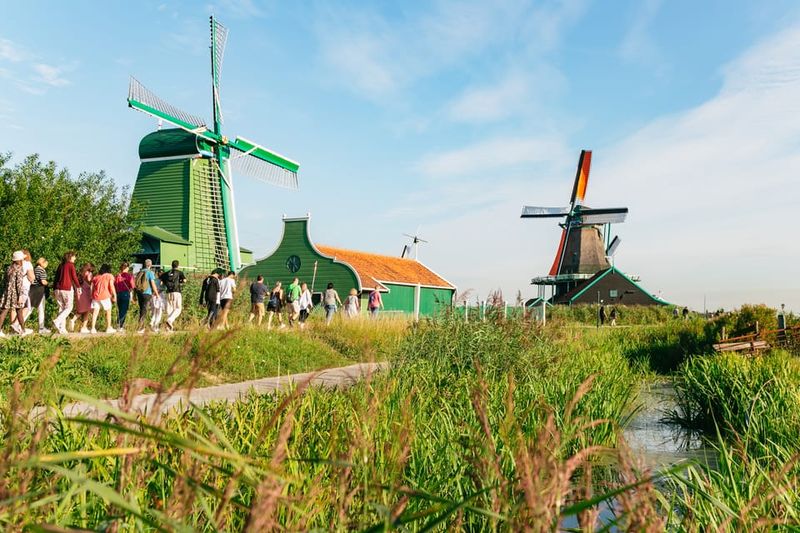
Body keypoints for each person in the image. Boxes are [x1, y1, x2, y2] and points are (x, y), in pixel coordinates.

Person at [0, 251, 30, 337]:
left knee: (5, 311)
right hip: (15, 293)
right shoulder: (19, 269)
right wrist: (20, 295)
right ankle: (23, 330)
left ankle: (23, 330)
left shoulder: (9, 268)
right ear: (19, 260)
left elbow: (4, 281)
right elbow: (19, 284)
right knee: (18, 310)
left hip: (7, 292)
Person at [53, 251, 81, 335]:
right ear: (70, 257)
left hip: (57, 289)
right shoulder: (70, 265)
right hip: (66, 288)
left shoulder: (60, 265)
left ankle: (62, 329)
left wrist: (54, 289)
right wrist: (78, 286)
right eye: (74, 256)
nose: (75, 258)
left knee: (62, 308)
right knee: (69, 307)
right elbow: (74, 277)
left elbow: (56, 277)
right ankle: (57, 321)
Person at [90, 264, 117, 333]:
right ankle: (108, 328)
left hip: (95, 296)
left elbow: (91, 287)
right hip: (105, 296)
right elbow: (111, 285)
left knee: (95, 313)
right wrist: (114, 295)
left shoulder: (96, 277)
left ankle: (93, 328)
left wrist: (91, 295)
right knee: (108, 312)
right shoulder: (109, 276)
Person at [160, 260, 186, 331]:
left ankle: (168, 328)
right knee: (178, 308)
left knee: (170, 309)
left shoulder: (166, 273)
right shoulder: (179, 272)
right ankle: (170, 320)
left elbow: (161, 282)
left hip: (168, 293)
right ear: (178, 265)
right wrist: (180, 281)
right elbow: (184, 281)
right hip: (176, 292)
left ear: (171, 265)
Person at [135, 259, 159, 333]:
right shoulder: (150, 272)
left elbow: (136, 283)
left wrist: (134, 295)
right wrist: (157, 293)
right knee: (144, 310)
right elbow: (153, 284)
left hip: (139, 292)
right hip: (147, 293)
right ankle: (140, 328)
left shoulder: (140, 272)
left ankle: (141, 327)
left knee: (141, 309)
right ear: (150, 265)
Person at [29, 257, 50, 334]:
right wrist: (48, 284)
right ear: (43, 262)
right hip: (40, 290)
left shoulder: (35, 269)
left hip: (33, 289)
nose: (46, 266)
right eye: (46, 264)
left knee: (30, 308)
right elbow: (43, 281)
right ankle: (41, 328)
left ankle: (19, 324)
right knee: (41, 309)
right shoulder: (41, 270)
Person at [74, 263, 95, 333]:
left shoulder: (79, 274)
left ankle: (74, 320)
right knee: (87, 310)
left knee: (82, 310)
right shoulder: (88, 274)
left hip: (80, 293)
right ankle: (83, 327)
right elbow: (90, 281)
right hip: (86, 293)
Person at [114, 262, 134, 329]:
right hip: (125, 294)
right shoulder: (129, 276)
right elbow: (132, 286)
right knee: (124, 310)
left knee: (120, 309)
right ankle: (120, 326)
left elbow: (114, 285)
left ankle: (118, 324)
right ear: (127, 268)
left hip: (118, 294)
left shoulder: (117, 275)